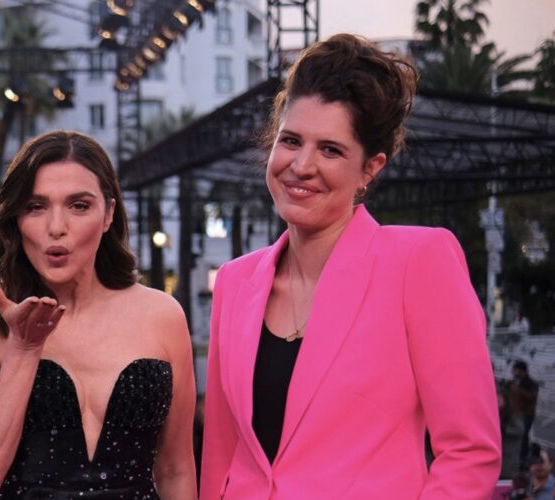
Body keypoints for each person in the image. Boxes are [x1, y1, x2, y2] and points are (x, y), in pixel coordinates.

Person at [199, 34, 501, 499]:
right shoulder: (236, 282)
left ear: (369, 168)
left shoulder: (419, 263)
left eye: (331, 150)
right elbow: (222, 454)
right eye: (291, 140)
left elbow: (469, 452)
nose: (301, 165)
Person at [0, 130, 197, 498]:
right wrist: (23, 349)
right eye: (36, 206)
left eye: (79, 205)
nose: (56, 228)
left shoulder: (162, 315)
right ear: (16, 218)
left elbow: (176, 470)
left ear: (108, 214)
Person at [510, 360, 540, 465]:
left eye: (516, 370)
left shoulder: (531, 383)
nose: (514, 372)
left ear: (522, 370)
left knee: (523, 435)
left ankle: (523, 458)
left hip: (527, 414)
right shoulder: (516, 381)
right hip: (516, 413)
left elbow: (531, 397)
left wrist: (517, 390)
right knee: (518, 435)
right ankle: (518, 455)